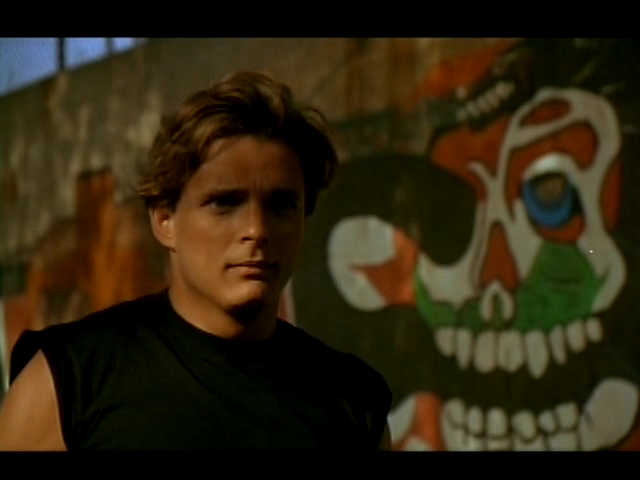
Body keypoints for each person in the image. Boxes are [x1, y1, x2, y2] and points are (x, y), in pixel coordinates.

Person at [0, 71, 392, 450]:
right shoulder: (71, 380)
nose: (257, 229)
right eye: (225, 203)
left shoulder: (353, 401)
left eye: (281, 205)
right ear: (164, 220)